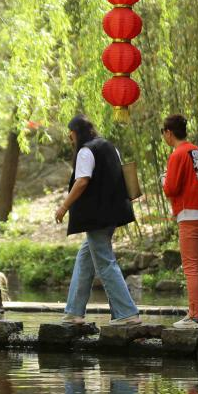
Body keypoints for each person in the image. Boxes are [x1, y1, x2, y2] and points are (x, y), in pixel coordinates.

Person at [55, 115, 141, 326]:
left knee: (104, 262)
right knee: (85, 259)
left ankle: (126, 313)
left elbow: (83, 180)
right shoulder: (110, 147)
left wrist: (64, 206)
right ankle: (74, 311)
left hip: (97, 217)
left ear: (75, 133)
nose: (70, 139)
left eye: (71, 135)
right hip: (113, 213)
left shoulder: (86, 151)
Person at [161, 114, 198, 329]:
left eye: (164, 134)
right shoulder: (197, 151)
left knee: (191, 266)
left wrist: (164, 180)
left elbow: (172, 188)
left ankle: (194, 315)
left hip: (190, 213)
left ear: (169, 132)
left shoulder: (178, 154)